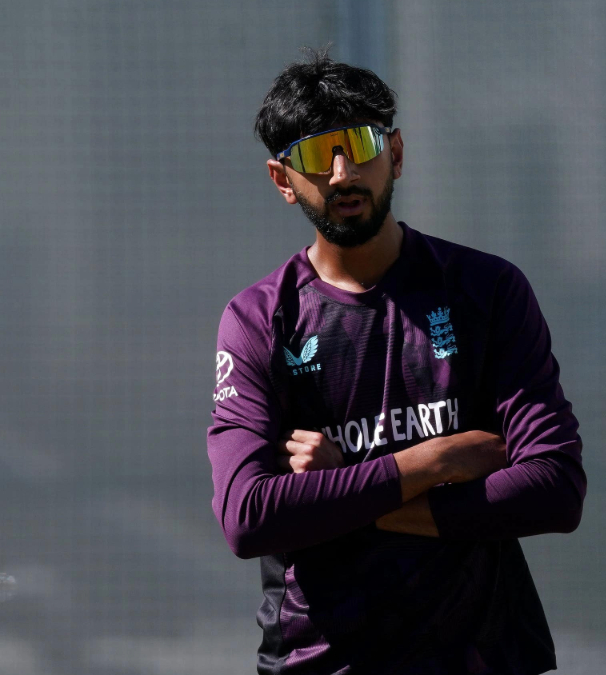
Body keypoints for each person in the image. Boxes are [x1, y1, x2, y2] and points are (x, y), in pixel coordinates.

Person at [207, 51, 586, 674]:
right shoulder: (259, 318)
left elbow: (554, 491)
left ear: (397, 154)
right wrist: (431, 461)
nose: (340, 173)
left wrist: (341, 488)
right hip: (322, 661)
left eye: (358, 143)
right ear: (282, 179)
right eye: (313, 155)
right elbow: (249, 518)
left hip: (482, 658)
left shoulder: (486, 289)